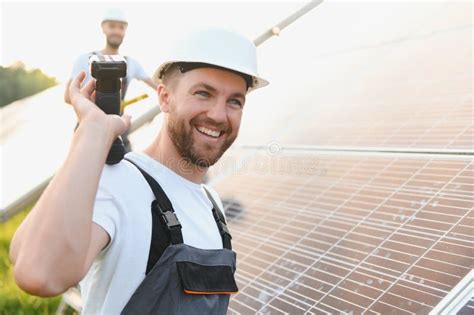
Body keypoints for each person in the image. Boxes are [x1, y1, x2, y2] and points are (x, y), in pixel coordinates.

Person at [10, 28, 268, 314]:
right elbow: (39, 273)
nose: (219, 115)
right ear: (164, 98)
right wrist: (92, 132)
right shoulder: (119, 182)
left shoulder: (212, 204)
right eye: (203, 93)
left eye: (235, 101)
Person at [64, 8, 157, 151]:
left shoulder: (132, 63)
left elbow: (158, 87)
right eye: (112, 26)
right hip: (87, 129)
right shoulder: (83, 60)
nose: (117, 31)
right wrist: (91, 104)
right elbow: (67, 96)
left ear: (125, 31)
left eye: (121, 27)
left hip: (119, 132)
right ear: (103, 28)